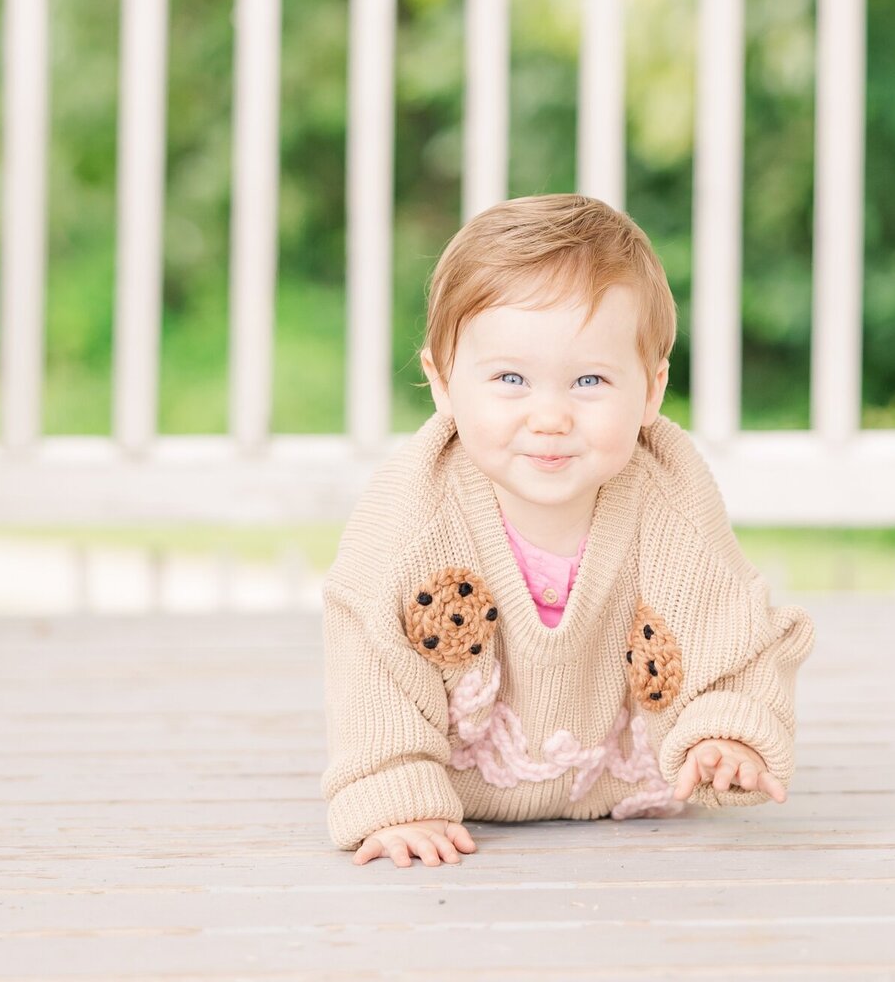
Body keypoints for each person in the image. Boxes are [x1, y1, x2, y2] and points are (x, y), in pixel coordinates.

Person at [320, 193, 816, 868]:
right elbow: (371, 651)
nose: (549, 415)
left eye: (588, 380)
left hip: (629, 792)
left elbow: (725, 627)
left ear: (651, 389)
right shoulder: (416, 513)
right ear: (442, 383)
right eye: (511, 379)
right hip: (459, 798)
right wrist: (395, 792)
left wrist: (723, 735)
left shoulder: (667, 497)